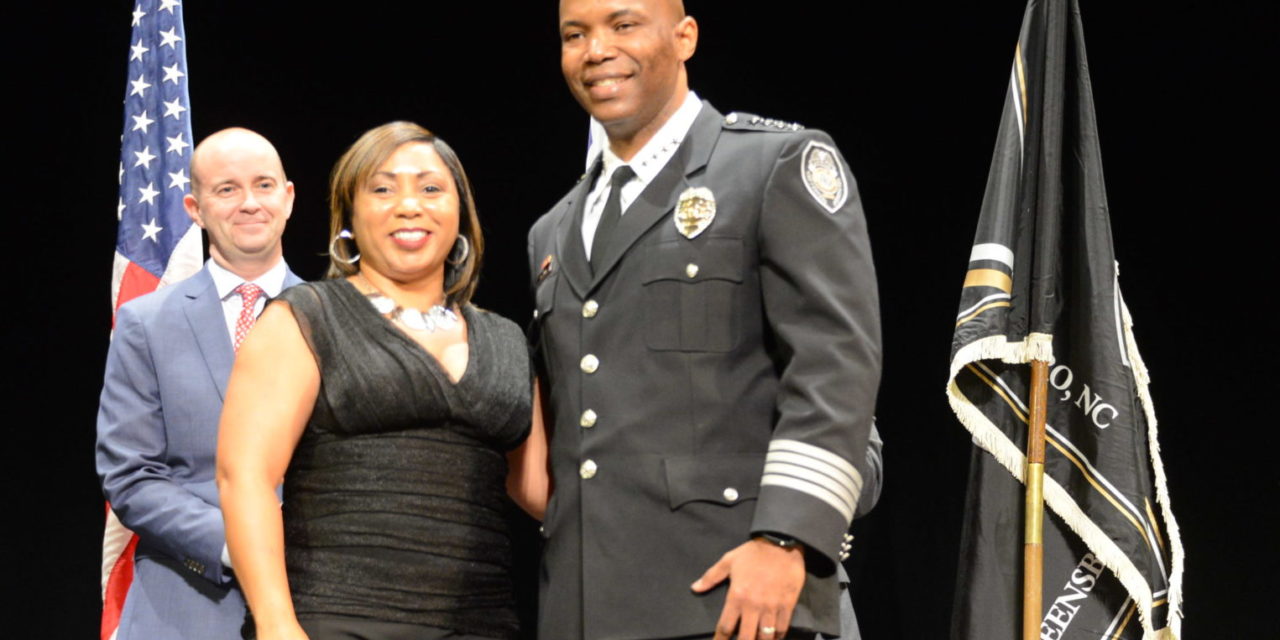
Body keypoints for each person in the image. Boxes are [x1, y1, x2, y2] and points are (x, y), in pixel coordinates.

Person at [527, 1, 882, 638]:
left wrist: (787, 539)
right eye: (573, 35)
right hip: (587, 608)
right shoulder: (552, 230)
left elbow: (835, 369)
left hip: (743, 599)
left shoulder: (772, 165)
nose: (596, 49)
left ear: (684, 36)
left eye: (623, 24)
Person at [217, 121, 547, 640]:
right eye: (383, 189)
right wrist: (277, 624)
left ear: (460, 213)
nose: (409, 205)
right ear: (349, 216)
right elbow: (245, 478)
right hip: (337, 621)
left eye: (431, 188)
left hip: (484, 625)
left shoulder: (506, 339)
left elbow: (541, 488)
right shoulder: (306, 318)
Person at [96, 127, 301, 639]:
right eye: (227, 190)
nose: (249, 203)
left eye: (264, 185)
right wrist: (239, 543)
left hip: (318, 603)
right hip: (182, 610)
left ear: (289, 197)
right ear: (195, 207)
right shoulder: (145, 323)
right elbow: (130, 474)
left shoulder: (343, 319)